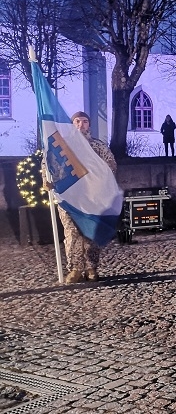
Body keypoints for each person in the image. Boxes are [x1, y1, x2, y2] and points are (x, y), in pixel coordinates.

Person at [44, 111, 118, 284]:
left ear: (89, 125)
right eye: (77, 121)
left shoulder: (98, 147)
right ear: (72, 124)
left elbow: (111, 166)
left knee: (90, 232)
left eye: (85, 121)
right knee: (72, 233)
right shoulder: (62, 146)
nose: (81, 125)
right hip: (68, 197)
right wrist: (46, 180)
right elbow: (48, 163)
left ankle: (91, 267)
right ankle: (75, 269)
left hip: (92, 198)